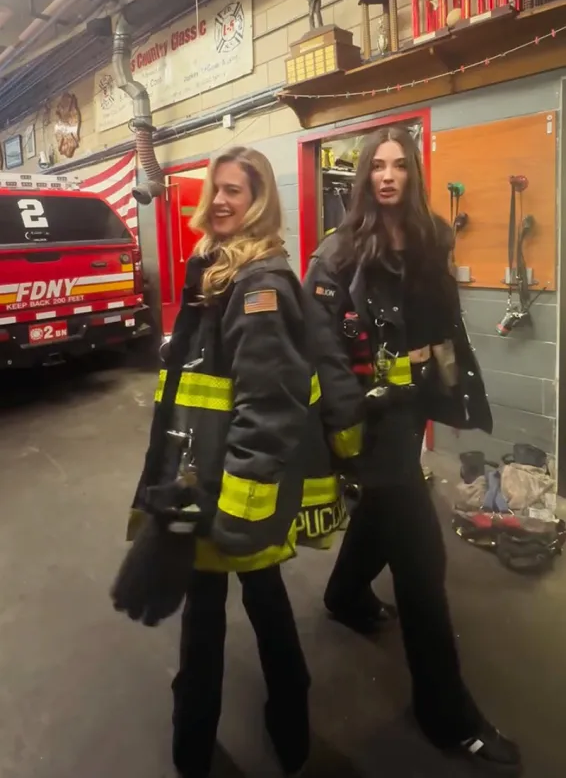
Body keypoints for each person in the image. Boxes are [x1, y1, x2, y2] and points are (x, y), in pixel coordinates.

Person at [303, 125, 522, 775]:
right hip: (367, 422)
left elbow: (440, 323)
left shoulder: (428, 239)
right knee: (423, 565)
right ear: (366, 174)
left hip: (408, 413)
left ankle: (344, 594)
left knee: (386, 505)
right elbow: (328, 350)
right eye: (380, 165)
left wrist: (444, 379)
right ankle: (447, 715)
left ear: (412, 173)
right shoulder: (337, 256)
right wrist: (386, 383)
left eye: (401, 164)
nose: (389, 174)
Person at [124, 147, 337, 778]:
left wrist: (238, 510)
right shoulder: (211, 269)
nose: (219, 200)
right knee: (229, 611)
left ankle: (240, 740)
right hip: (205, 476)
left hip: (235, 489)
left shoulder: (259, 286)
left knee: (235, 612)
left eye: (235, 191)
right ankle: (239, 738)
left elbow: (268, 408)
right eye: (216, 188)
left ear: (260, 202)